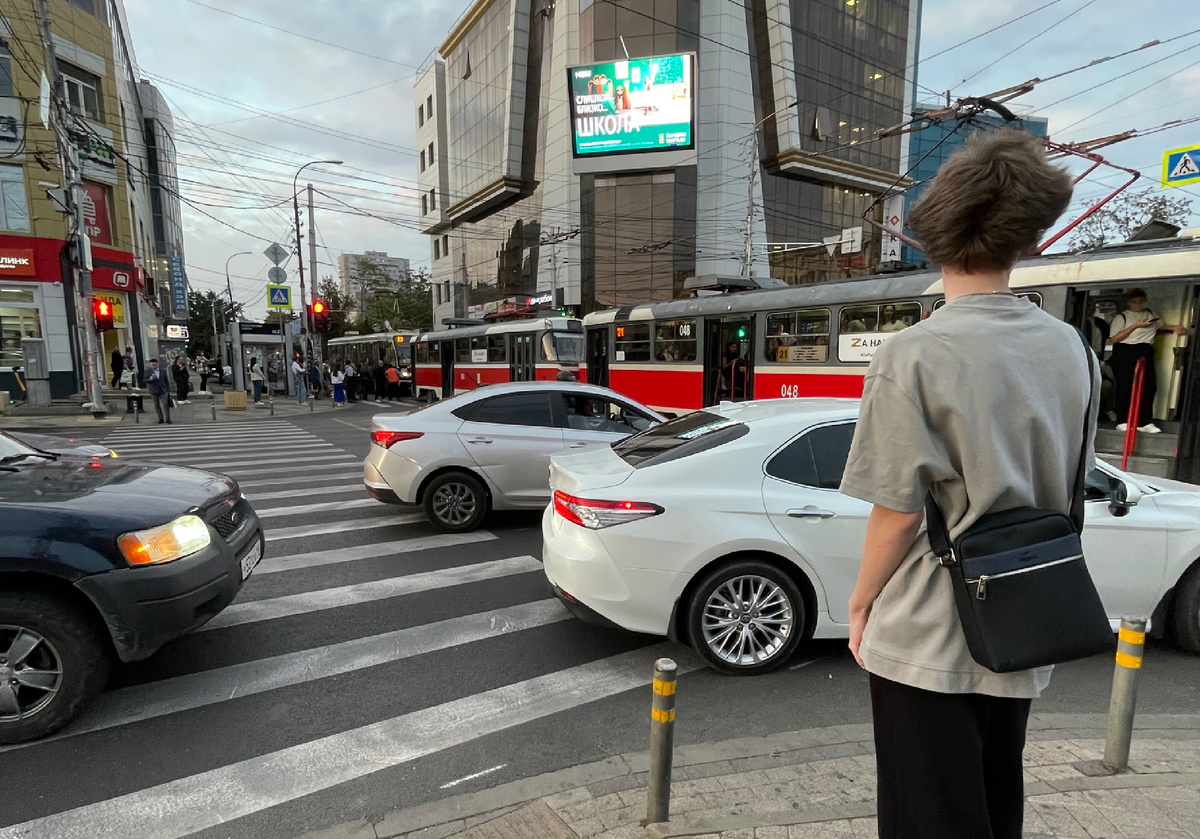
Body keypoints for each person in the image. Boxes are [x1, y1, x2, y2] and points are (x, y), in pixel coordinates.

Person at [839, 129, 1088, 839]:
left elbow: (897, 513)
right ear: (1031, 236)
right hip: (1023, 617)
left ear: (933, 234)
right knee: (992, 804)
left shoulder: (912, 352)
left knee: (926, 818)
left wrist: (860, 603)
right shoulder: (1069, 346)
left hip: (928, 633)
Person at [1107, 288, 1186, 434]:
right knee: (1125, 387)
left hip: (1145, 350)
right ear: (1129, 303)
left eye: (1141, 301)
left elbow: (1159, 326)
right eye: (1134, 302)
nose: (1138, 305)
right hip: (1125, 351)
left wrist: (1174, 328)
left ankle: (1145, 421)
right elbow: (1113, 339)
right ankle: (1123, 420)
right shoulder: (1121, 317)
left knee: (1149, 387)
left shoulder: (1149, 314)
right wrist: (1136, 326)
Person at [144, 358, 172, 424]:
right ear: (150, 365)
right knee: (156, 405)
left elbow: (166, 380)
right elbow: (144, 380)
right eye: (152, 365)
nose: (154, 366)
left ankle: (168, 418)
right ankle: (160, 418)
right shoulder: (147, 371)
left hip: (163, 389)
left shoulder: (163, 371)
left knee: (165, 404)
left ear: (157, 364)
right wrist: (150, 379)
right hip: (153, 390)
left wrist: (168, 390)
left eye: (155, 365)